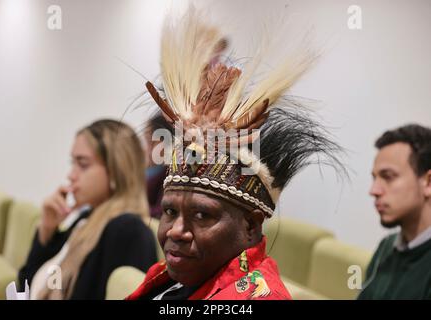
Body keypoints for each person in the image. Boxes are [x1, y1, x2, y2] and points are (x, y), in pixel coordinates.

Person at [126, 9, 345, 300]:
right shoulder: (169, 277)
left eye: (202, 215)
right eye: (169, 211)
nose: (176, 231)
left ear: (251, 226)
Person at [19, 119, 157, 299]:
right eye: (72, 163)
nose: (71, 175)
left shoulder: (128, 231)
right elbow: (25, 286)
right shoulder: (86, 218)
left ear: (116, 170)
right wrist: (46, 229)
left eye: (82, 164)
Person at [358, 124, 431, 299]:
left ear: (428, 183)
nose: (374, 190)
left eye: (388, 177)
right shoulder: (386, 246)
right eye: (375, 178)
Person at [144, 113, 170, 219]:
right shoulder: (153, 178)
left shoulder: (173, 180)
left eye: (150, 141)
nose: (145, 149)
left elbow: (162, 211)